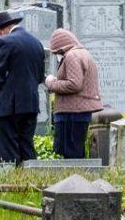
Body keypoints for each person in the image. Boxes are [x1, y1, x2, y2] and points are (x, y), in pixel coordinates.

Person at [0, 11, 46, 165]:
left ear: (0, 31)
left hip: (9, 105)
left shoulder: (5, 42)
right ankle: (30, 177)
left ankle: (10, 180)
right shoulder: (36, 43)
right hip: (31, 103)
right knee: (27, 145)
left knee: (8, 147)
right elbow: (39, 76)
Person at [44, 28, 103, 159]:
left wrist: (51, 82)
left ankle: (71, 178)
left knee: (68, 152)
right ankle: (77, 178)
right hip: (78, 110)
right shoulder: (83, 53)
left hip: (71, 112)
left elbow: (74, 84)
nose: (58, 55)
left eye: (58, 52)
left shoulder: (71, 56)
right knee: (75, 149)